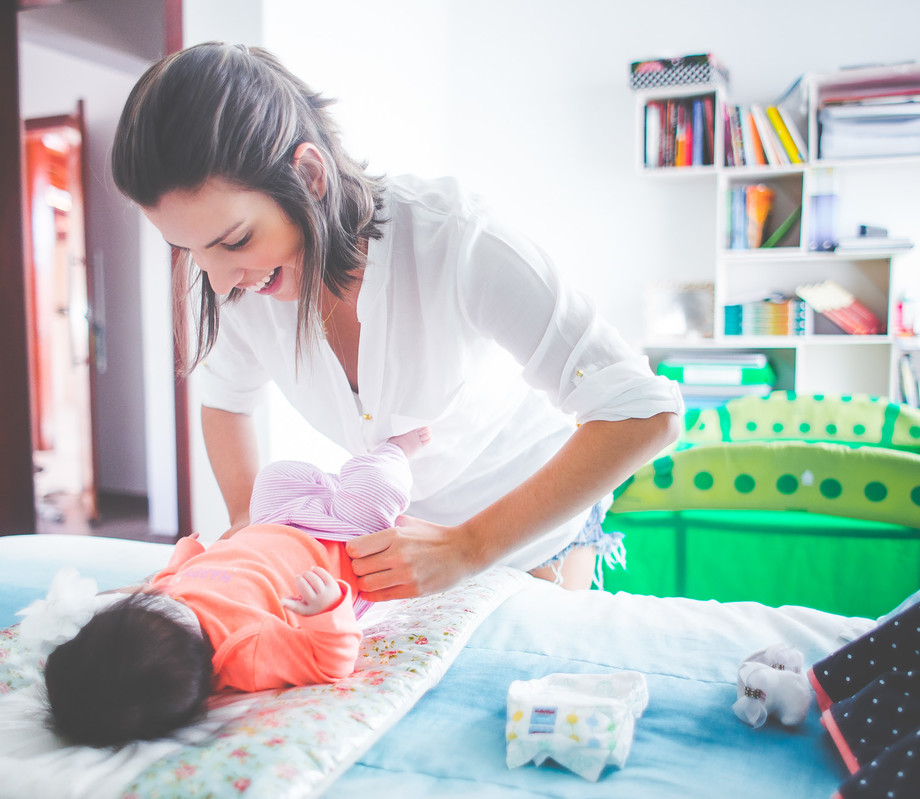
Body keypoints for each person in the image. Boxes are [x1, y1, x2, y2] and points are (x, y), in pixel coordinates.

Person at [111, 42, 683, 602]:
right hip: (404, 540)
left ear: (310, 176)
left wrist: (469, 547)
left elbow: (646, 414)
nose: (216, 281)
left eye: (234, 240)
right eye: (188, 251)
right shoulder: (239, 278)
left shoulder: (457, 240)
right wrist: (246, 523)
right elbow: (227, 401)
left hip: (529, 529)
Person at [39, 429, 428, 748]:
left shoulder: (161, 610)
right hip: (341, 549)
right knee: (376, 487)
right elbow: (329, 661)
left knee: (275, 475)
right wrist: (328, 611)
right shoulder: (246, 652)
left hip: (272, 523)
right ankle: (396, 451)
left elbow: (170, 582)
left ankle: (331, 488)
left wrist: (184, 558)